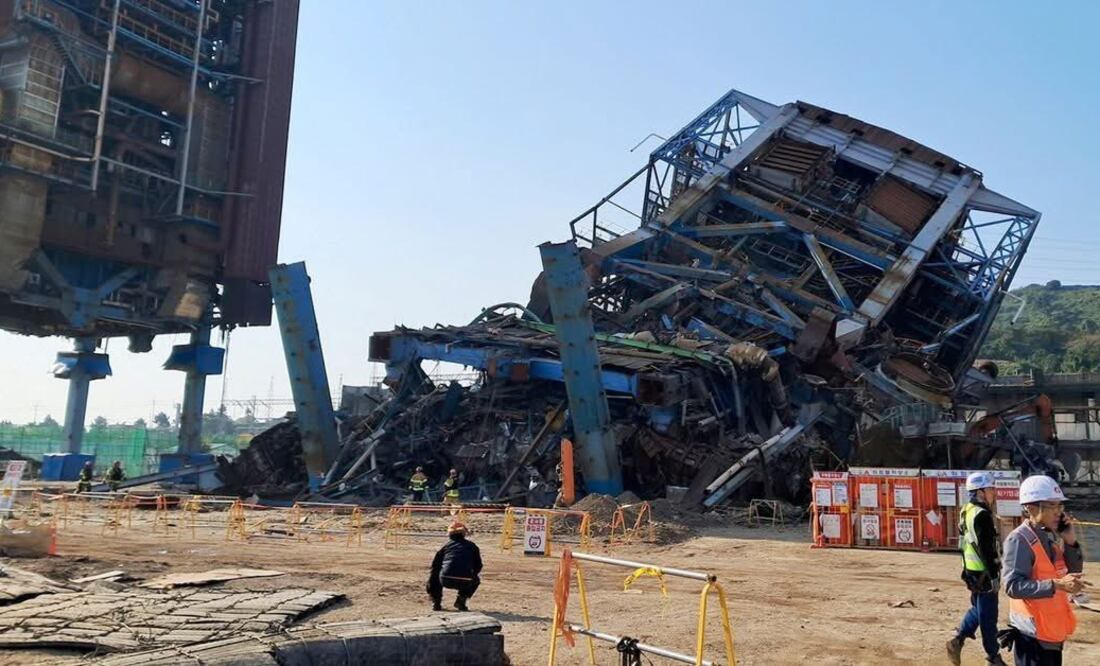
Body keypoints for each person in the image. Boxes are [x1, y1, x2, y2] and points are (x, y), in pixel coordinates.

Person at [1001, 475, 1086, 666]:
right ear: (1031, 508)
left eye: (1060, 506)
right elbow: (1012, 586)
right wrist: (1056, 585)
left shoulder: (1048, 538)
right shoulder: (1019, 540)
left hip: (1051, 633)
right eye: (1052, 506)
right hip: (1032, 638)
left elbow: (1071, 571)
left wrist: (1070, 541)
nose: (1058, 512)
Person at [947, 472, 1007, 666]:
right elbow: (986, 549)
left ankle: (957, 640)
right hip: (984, 573)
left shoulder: (966, 510)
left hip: (972, 572)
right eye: (990, 489)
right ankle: (993, 657)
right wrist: (994, 575)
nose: (994, 493)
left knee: (978, 609)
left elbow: (963, 543)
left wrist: (966, 570)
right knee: (988, 616)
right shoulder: (981, 515)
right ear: (980, 492)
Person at [427, 521, 482, 611]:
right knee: (476, 580)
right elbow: (478, 565)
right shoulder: (473, 546)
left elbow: (435, 566)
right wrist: (471, 575)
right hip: (465, 581)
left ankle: (436, 603)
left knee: (435, 575)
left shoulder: (445, 546)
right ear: (464, 534)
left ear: (450, 534)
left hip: (445, 579)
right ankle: (461, 601)